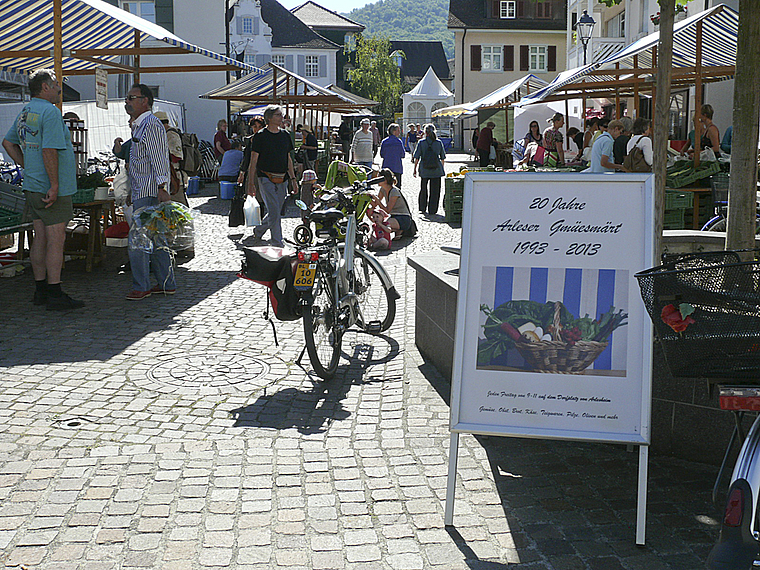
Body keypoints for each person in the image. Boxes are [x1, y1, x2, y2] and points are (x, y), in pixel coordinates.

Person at [2, 68, 83, 310]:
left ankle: (40, 290)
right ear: (46, 87)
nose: (60, 87)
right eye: (57, 83)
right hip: (50, 187)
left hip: (33, 185)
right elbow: (49, 150)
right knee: (56, 240)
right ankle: (55, 293)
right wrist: (55, 184)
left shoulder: (26, 111)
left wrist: (27, 165)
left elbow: (8, 142)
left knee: (39, 238)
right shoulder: (50, 112)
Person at [123, 83, 175, 299]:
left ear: (144, 100)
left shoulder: (150, 124)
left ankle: (142, 286)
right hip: (143, 189)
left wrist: (162, 186)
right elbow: (140, 162)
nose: (127, 102)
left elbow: (158, 158)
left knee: (139, 240)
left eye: (131, 97)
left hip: (150, 191)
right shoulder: (140, 125)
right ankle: (165, 283)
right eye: (127, 98)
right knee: (156, 238)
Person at [246, 104, 297, 247]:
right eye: (278, 115)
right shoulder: (260, 136)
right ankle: (277, 242)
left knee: (276, 210)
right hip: (265, 177)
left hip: (283, 178)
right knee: (274, 210)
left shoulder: (285, 135)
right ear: (269, 118)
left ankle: (259, 230)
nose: (282, 117)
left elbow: (288, 159)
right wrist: (251, 183)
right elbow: (253, 161)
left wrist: (293, 179)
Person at [154, 111, 188, 207]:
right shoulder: (164, 134)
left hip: (175, 176)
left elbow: (176, 156)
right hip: (169, 176)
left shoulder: (171, 135)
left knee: (179, 207)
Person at [370, 168, 414, 239]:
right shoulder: (382, 189)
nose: (376, 180)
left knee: (383, 225)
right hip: (394, 217)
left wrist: (378, 200)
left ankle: (400, 230)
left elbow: (387, 210)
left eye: (379, 178)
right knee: (380, 224)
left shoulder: (394, 191)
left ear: (385, 180)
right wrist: (368, 198)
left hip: (403, 218)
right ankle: (398, 231)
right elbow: (375, 204)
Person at [413, 123, 446, 216]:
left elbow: (417, 157)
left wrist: (415, 169)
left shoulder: (421, 143)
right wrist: (441, 168)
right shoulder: (438, 142)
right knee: (435, 190)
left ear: (425, 132)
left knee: (423, 189)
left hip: (424, 169)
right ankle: (433, 209)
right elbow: (442, 157)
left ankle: (422, 207)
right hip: (436, 170)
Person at [379, 123, 405, 188]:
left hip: (386, 167)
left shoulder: (384, 141)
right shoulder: (398, 141)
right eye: (398, 130)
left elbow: (382, 154)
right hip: (397, 167)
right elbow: (402, 154)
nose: (399, 132)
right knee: (397, 187)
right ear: (394, 131)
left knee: (386, 186)